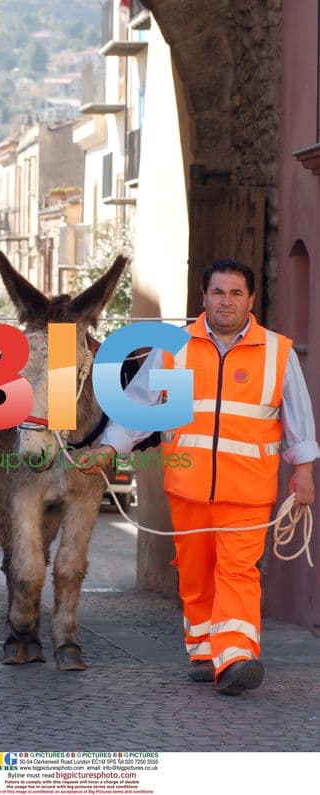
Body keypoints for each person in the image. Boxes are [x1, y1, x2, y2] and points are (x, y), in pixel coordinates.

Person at [83, 258, 319, 696]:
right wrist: (109, 448)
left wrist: (303, 471)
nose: (225, 302)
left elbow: (298, 418)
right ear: (203, 298)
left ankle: (236, 656)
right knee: (195, 573)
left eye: (235, 293)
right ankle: (203, 649)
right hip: (188, 487)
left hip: (248, 490)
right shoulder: (176, 347)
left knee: (237, 571)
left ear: (251, 299)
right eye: (217, 293)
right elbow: (141, 407)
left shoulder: (276, 351)